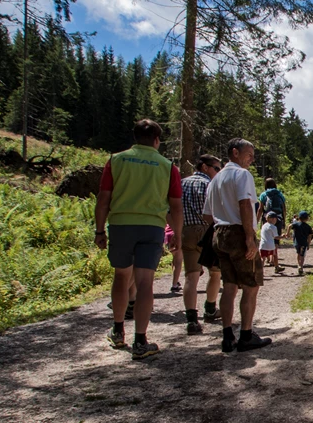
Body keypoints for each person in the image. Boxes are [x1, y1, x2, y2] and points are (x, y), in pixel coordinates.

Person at [95, 119, 182, 360]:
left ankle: (118, 330)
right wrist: (177, 234)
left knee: (121, 276)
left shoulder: (116, 160)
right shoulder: (167, 166)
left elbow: (103, 198)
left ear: (135, 137)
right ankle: (141, 340)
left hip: (121, 224)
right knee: (146, 282)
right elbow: (175, 206)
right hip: (152, 227)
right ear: (157, 140)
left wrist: (100, 230)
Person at [202, 138, 271, 353]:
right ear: (235, 152)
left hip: (218, 233)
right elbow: (244, 204)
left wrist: (222, 221)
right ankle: (246, 336)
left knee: (229, 286)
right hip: (238, 233)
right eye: (249, 154)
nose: (252, 159)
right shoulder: (242, 175)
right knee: (251, 285)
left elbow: (206, 215)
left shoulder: (215, 179)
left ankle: (227, 335)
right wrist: (249, 238)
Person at [180, 154, 223, 333]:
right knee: (215, 273)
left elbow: (171, 209)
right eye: (216, 168)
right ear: (205, 167)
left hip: (187, 230)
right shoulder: (211, 185)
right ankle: (210, 308)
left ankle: (191, 319)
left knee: (191, 276)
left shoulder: (181, 183)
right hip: (208, 230)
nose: (218, 172)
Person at [290, 210, 313, 275]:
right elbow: (309, 237)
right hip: (304, 243)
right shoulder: (308, 227)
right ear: (307, 218)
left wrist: (287, 234)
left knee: (298, 253)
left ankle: (299, 265)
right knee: (302, 255)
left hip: (296, 243)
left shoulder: (296, 224)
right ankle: (301, 266)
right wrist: (308, 244)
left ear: (299, 217)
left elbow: (289, 226)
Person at [165, 223, 183, 293]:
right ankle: (174, 285)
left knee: (175, 258)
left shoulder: (169, 213)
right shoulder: (180, 213)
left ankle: (176, 280)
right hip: (176, 234)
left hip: (168, 234)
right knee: (178, 260)